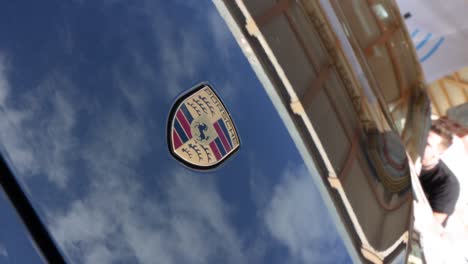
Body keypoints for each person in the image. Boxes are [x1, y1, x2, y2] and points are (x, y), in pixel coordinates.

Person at [419, 121, 460, 227]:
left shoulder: (448, 185)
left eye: (427, 144)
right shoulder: (404, 157)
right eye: (421, 138)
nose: (420, 144)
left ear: (439, 153)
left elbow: (431, 226)